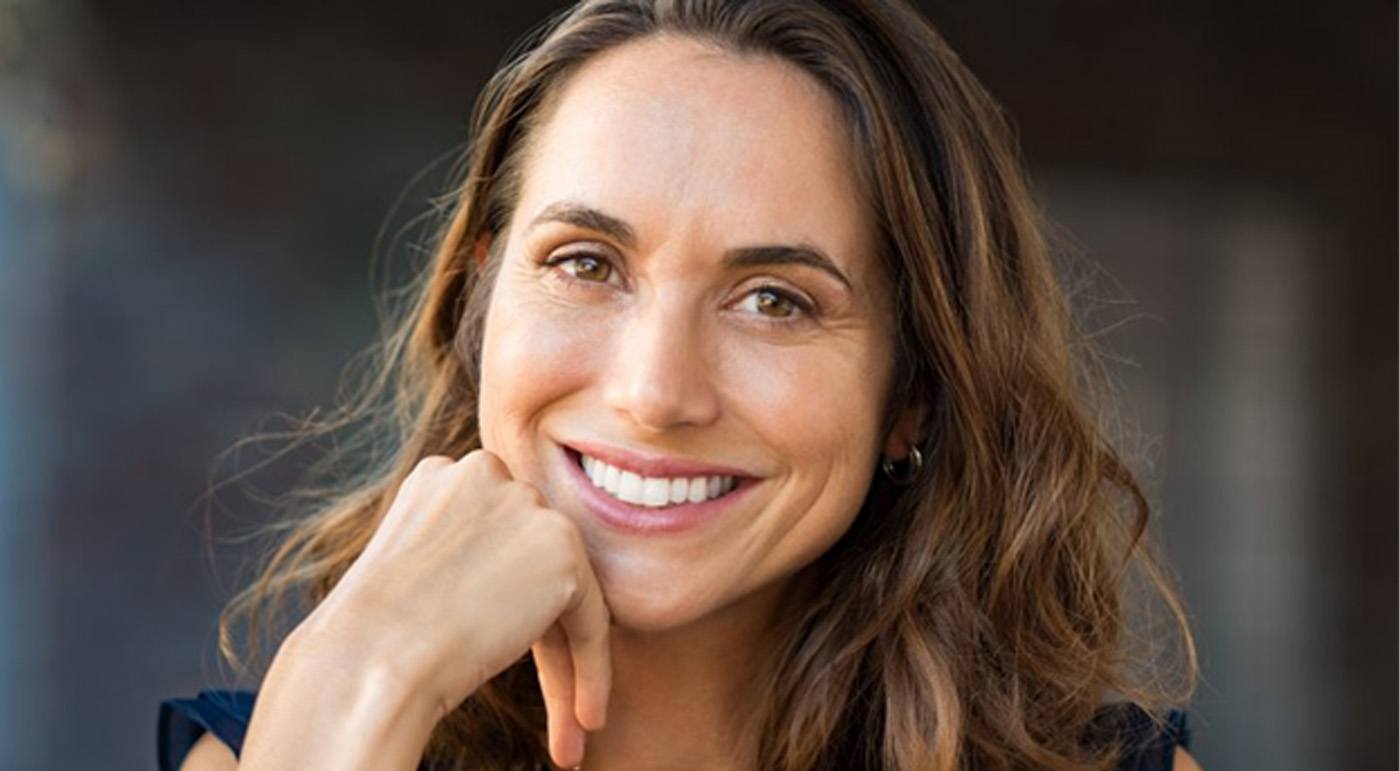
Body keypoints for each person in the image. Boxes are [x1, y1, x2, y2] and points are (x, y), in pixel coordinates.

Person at [158, 0, 1204, 769]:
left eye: (774, 300)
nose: (655, 393)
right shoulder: (284, 749)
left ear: (911, 395)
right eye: (585, 264)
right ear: (484, 296)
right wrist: (364, 673)